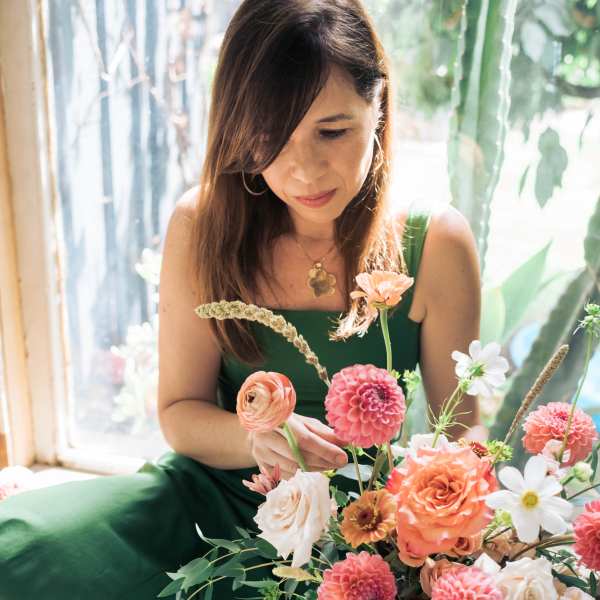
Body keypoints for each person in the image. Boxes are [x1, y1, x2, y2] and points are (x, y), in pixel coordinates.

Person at [0, 1, 482, 598]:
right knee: (18, 548)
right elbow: (180, 411)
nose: (304, 170)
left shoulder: (436, 244)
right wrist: (256, 439)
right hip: (209, 500)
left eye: (332, 131)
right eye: (270, 137)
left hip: (361, 536)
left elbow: (461, 445)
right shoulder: (203, 225)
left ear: (377, 105)